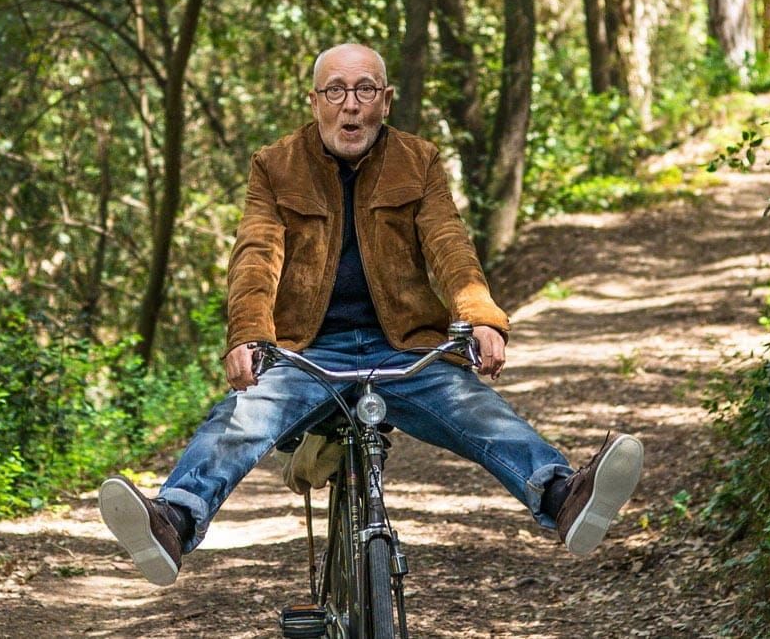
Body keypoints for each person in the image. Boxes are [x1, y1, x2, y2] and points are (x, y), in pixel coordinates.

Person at [98, 43, 643, 586]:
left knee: (480, 411)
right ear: (314, 102)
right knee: (241, 418)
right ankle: (174, 519)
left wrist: (481, 314)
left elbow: (448, 243)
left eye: (363, 91)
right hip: (305, 353)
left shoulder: (418, 160)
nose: (350, 105)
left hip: (403, 347)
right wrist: (247, 334)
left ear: (385, 101)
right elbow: (256, 256)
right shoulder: (274, 165)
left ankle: (561, 494)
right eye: (335, 91)